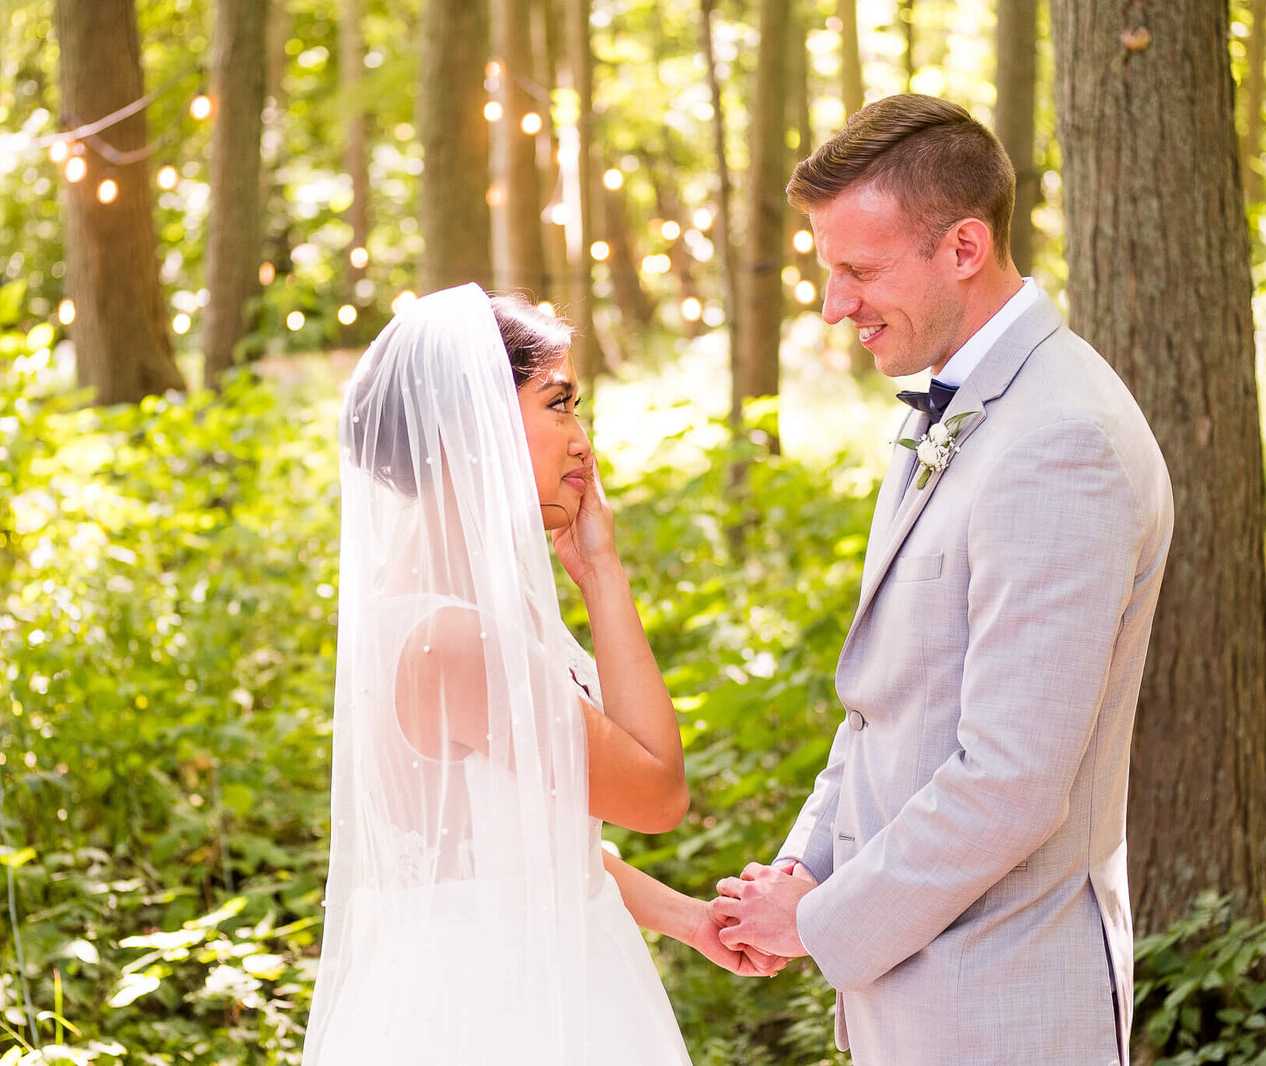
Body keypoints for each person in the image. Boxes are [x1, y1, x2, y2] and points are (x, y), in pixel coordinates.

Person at [711, 94, 1175, 1066]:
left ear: (963, 248)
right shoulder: (948, 405)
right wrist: (804, 863)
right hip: (916, 988)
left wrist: (819, 919)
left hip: (1001, 1000)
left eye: (858, 270)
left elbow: (1010, 781)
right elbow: (888, 706)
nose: (835, 305)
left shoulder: (1059, 441)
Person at [303, 284, 767, 1066]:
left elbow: (513, 849)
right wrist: (605, 576)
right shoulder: (457, 639)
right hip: (497, 1012)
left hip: (513, 970)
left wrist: (688, 919)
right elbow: (658, 793)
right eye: (559, 404)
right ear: (467, 425)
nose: (582, 440)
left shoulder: (432, 607)